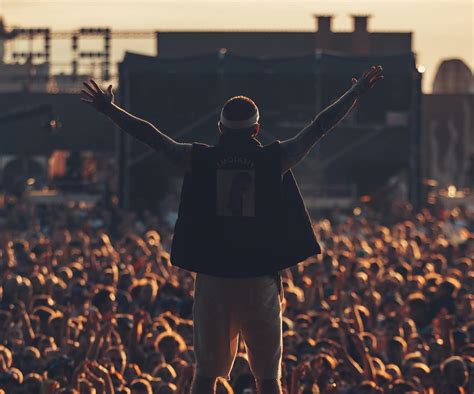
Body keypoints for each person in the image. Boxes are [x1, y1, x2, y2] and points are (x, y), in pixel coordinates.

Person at [80, 64, 384, 393]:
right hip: (259, 277)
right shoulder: (275, 159)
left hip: (214, 277)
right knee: (268, 377)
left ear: (220, 129)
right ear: (257, 130)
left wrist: (110, 110)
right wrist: (355, 94)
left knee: (206, 373)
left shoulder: (198, 159)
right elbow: (319, 126)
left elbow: (152, 137)